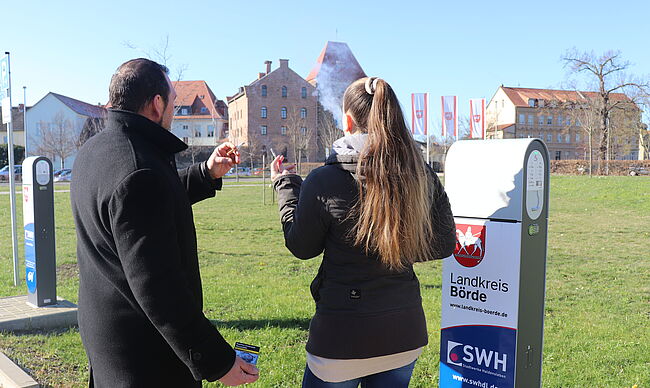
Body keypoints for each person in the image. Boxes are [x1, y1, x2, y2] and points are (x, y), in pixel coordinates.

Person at [71, 58, 259, 387]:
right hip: (146, 360)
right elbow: (159, 289)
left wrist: (206, 173)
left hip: (107, 341)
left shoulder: (96, 150)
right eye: (173, 101)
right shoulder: (138, 168)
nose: (173, 108)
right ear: (157, 104)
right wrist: (216, 361)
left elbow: (147, 205)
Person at [271, 77, 456, 387]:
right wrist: (396, 242)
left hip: (341, 340)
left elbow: (302, 246)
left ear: (347, 120)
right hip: (403, 333)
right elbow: (442, 242)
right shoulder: (418, 172)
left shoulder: (325, 180)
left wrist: (286, 184)